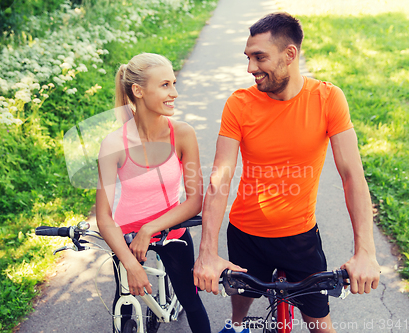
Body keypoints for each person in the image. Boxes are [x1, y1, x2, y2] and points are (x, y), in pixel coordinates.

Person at [193, 12, 381, 333]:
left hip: (300, 239)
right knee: (242, 297)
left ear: (289, 54)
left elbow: (352, 177)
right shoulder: (239, 104)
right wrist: (208, 253)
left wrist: (365, 252)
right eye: (248, 57)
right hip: (245, 234)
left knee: (320, 325)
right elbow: (220, 179)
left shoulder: (328, 99)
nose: (250, 68)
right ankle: (237, 325)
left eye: (259, 57)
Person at [96, 53, 211, 333]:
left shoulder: (182, 133)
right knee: (122, 309)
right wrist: (128, 260)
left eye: (173, 83)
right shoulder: (114, 144)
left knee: (192, 302)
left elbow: (195, 200)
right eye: (165, 85)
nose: (174, 92)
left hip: (172, 229)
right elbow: (104, 216)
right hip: (126, 237)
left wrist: (151, 228)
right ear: (138, 91)